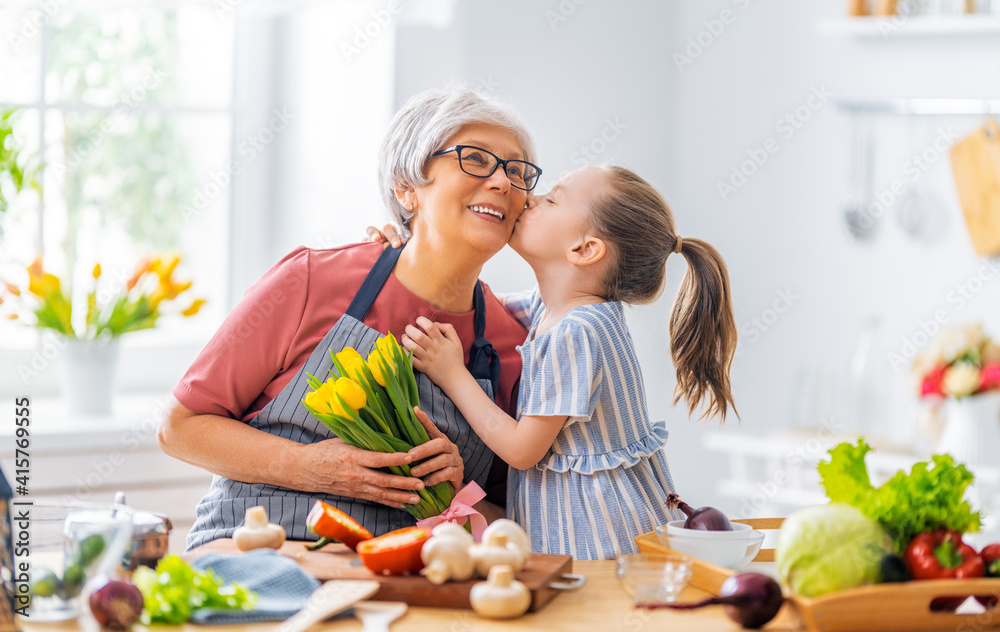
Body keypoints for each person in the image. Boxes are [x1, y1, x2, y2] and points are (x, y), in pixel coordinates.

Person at [157, 87, 544, 549]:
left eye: (517, 171)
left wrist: (457, 494)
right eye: (476, 160)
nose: (503, 181)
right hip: (260, 552)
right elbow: (179, 427)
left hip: (407, 585)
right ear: (407, 187)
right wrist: (309, 466)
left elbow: (514, 521)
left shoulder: (512, 343)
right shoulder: (309, 281)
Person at [398, 165, 739, 560]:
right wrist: (407, 242)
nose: (529, 198)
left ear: (584, 249)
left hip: (600, 546)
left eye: (552, 199)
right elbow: (477, 298)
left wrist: (452, 374)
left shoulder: (576, 333)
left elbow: (522, 450)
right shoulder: (555, 307)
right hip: (588, 538)